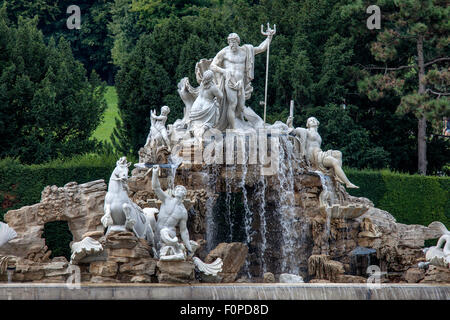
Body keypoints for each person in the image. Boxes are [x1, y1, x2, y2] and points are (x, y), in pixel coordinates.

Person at [210, 32, 273, 130]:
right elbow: (212, 65)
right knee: (232, 104)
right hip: (230, 82)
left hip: (241, 83)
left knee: (241, 106)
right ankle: (234, 128)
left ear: (238, 42)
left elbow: (261, 48)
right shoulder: (224, 52)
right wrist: (224, 71)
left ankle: (235, 122)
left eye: (234, 42)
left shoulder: (246, 51)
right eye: (230, 42)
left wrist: (269, 37)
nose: (232, 44)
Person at [292, 117, 359, 189]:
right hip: (314, 156)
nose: (313, 121)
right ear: (307, 124)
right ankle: (348, 183)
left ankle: (336, 175)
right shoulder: (305, 131)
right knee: (334, 161)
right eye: (310, 120)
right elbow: (293, 132)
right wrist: (290, 124)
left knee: (338, 153)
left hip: (319, 152)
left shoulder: (318, 134)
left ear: (317, 122)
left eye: (314, 120)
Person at [151, 165, 193, 258]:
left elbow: (183, 231)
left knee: (165, 233)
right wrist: (154, 173)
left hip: (169, 233)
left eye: (182, 190)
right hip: (156, 230)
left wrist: (188, 246)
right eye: (177, 189)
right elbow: (156, 188)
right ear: (174, 192)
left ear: (184, 196)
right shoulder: (166, 199)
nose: (179, 190)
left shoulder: (183, 212)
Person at [188, 70, 223, 142]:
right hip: (206, 107)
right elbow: (221, 96)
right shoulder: (213, 87)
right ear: (211, 78)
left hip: (196, 105)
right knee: (207, 124)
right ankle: (201, 135)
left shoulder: (202, 83)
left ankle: (195, 134)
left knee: (196, 123)